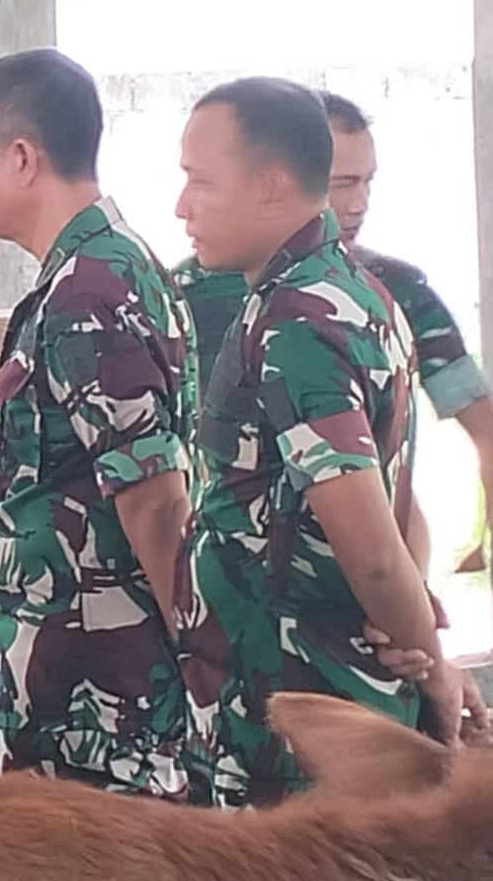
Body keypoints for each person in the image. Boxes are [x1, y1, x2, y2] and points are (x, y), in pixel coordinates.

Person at [173, 77, 478, 808]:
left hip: (301, 709)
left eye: (200, 182)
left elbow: (371, 546)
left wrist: (434, 670)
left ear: (272, 186)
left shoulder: (299, 320)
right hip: (300, 693)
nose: (182, 206)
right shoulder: (345, 289)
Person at [0, 49, 195, 800]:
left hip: (105, 707)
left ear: (22, 158)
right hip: (73, 692)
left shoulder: (88, 291)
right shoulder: (87, 272)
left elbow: (155, 499)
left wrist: (201, 665)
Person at [176, 93, 493, 571]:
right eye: (342, 184)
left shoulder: (396, 289)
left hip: (368, 579)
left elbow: (480, 424)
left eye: (367, 182)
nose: (359, 204)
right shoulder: (186, 295)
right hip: (236, 577)